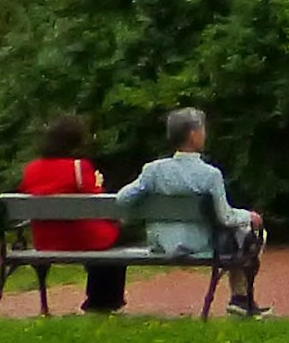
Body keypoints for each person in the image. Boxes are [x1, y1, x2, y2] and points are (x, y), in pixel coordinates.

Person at [105, 107, 265, 317]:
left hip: (160, 244)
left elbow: (123, 198)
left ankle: (241, 300)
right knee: (250, 232)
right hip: (198, 244)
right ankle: (241, 298)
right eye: (202, 130)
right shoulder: (210, 174)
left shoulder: (153, 170)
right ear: (192, 134)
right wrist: (249, 216)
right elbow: (225, 216)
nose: (205, 134)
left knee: (240, 233)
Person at [18, 116, 125, 316]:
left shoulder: (31, 169)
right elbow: (98, 205)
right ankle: (103, 300)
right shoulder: (79, 167)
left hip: (46, 240)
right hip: (80, 237)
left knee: (108, 238)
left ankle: (100, 300)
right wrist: (99, 184)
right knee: (117, 237)